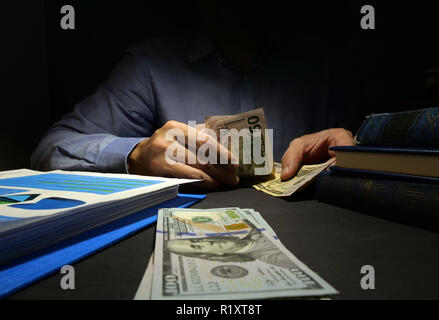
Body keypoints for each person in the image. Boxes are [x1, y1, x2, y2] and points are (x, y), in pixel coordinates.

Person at [31, 3, 354, 189]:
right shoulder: (148, 65)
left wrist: (353, 152)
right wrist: (135, 154)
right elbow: (51, 149)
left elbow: (368, 154)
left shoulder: (321, 62)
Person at [166, 219, 298, 269]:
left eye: (195, 240)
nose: (206, 241)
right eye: (197, 246)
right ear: (215, 255)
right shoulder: (273, 258)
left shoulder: (248, 227)